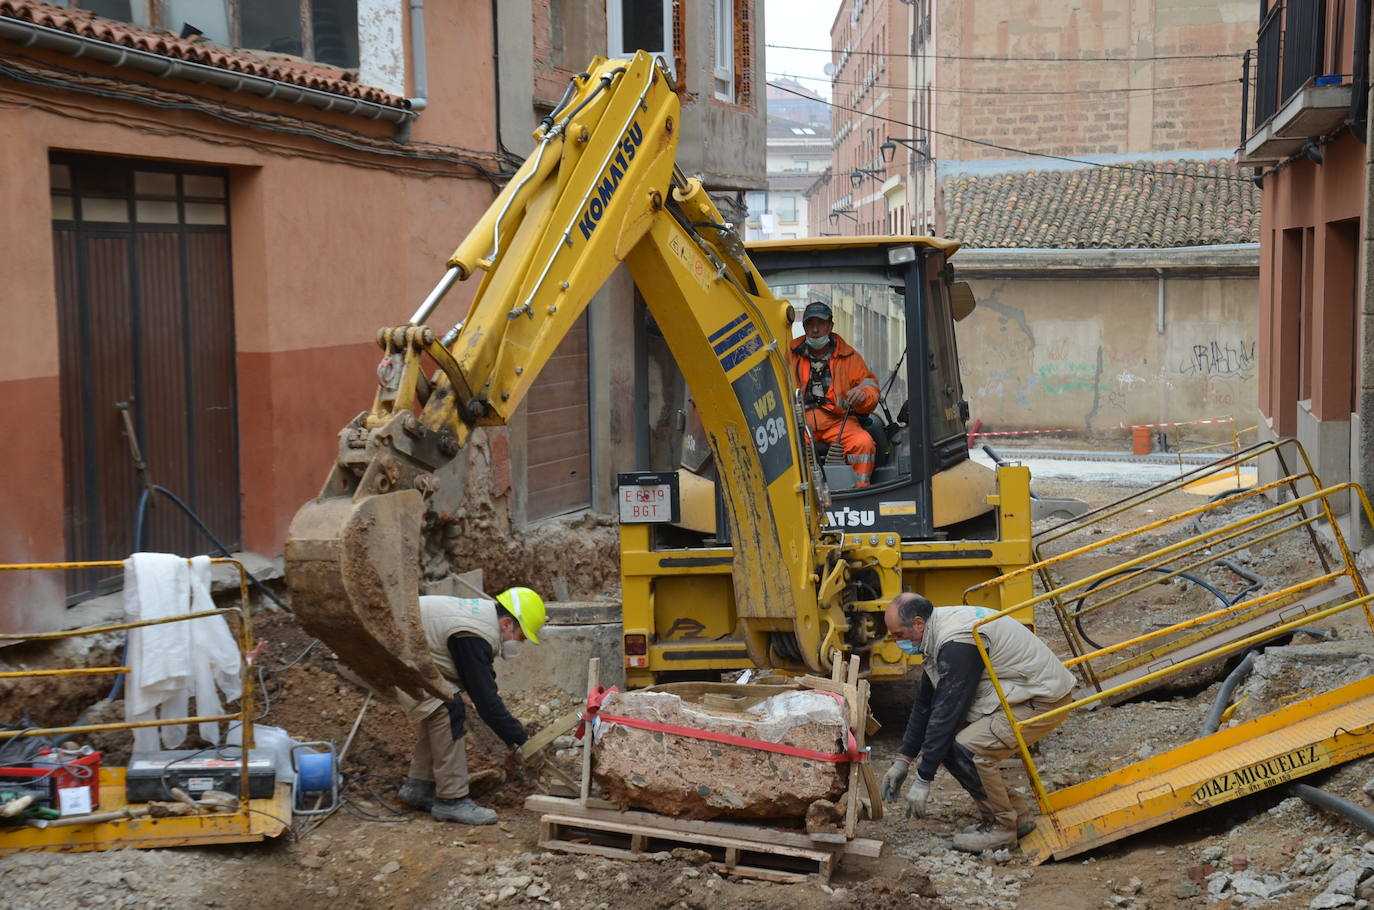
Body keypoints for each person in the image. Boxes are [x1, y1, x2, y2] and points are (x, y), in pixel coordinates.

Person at [878, 593, 1076, 852]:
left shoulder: (956, 642)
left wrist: (923, 779)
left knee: (968, 749)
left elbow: (947, 711)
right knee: (950, 747)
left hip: (1043, 698)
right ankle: (1016, 815)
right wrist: (902, 761)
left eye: (898, 635)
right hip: (1020, 691)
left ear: (918, 624)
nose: (896, 642)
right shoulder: (938, 631)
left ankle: (1003, 828)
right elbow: (925, 703)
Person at [395, 587, 546, 824]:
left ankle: (419, 787)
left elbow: (482, 680)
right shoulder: (474, 635)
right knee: (448, 708)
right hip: (399, 650)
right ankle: (452, 800)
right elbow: (485, 701)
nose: (519, 643)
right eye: (521, 637)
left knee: (438, 708)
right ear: (507, 624)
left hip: (405, 643)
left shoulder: (481, 621)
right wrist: (521, 740)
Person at [790, 301, 881, 488]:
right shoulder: (790, 354)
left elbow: (870, 386)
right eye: (810, 323)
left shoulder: (848, 356)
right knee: (783, 448)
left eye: (821, 323)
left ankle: (859, 493)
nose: (815, 329)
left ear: (830, 325)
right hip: (800, 423)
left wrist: (863, 395)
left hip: (838, 422)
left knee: (863, 443)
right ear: (804, 326)